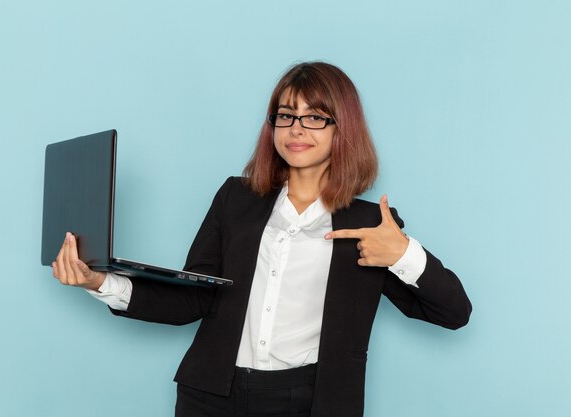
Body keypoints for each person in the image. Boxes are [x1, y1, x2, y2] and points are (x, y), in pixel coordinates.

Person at [52, 61, 472, 417]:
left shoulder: (370, 224)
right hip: (211, 395)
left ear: (341, 129)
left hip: (309, 401)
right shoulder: (236, 198)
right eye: (285, 115)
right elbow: (192, 299)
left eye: (314, 116)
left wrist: (403, 254)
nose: (296, 128)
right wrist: (99, 282)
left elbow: (454, 312)